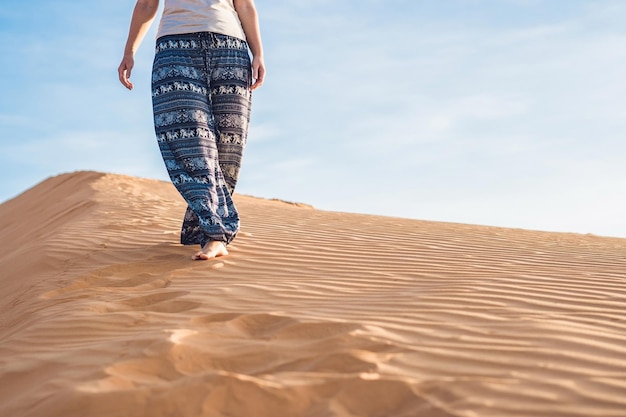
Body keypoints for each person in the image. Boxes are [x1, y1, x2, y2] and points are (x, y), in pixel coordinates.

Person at [118, 0, 265, 260]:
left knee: (228, 146)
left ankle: (203, 225)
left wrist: (259, 54)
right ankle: (215, 233)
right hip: (174, 49)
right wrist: (129, 51)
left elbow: (244, 5)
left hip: (230, 48)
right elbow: (146, 4)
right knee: (189, 140)